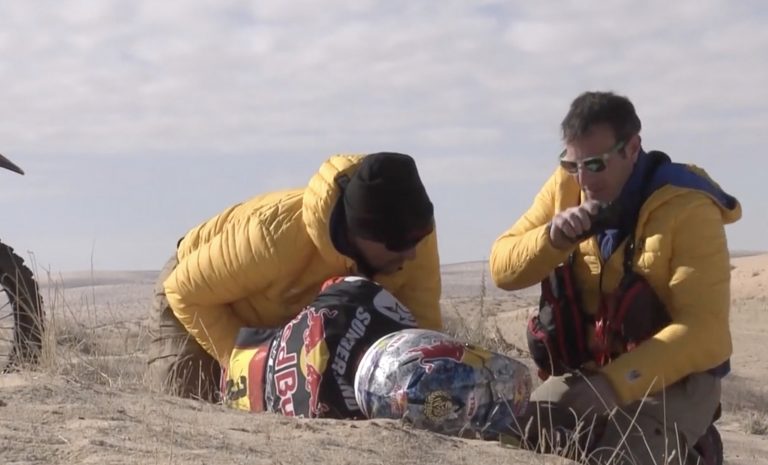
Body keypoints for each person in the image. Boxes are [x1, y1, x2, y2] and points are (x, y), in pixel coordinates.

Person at [489, 91, 741, 464]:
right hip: (593, 371)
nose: (584, 179)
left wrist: (614, 384)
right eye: (573, 164)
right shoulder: (566, 187)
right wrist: (551, 239)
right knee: (506, 433)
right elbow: (502, 270)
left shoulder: (688, 205)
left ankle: (695, 449)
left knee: (616, 456)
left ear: (632, 148)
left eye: (595, 164)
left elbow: (705, 331)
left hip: (676, 380)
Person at [147, 152, 442, 402]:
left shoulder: (412, 237)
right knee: (191, 405)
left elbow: (421, 330)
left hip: (283, 319)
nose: (412, 254)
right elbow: (184, 293)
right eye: (399, 244)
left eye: (419, 239)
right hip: (199, 296)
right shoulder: (271, 236)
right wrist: (247, 368)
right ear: (361, 233)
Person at [223, 274, 533, 442]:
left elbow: (333, 282)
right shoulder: (341, 424)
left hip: (241, 360)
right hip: (239, 396)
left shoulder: (362, 298)